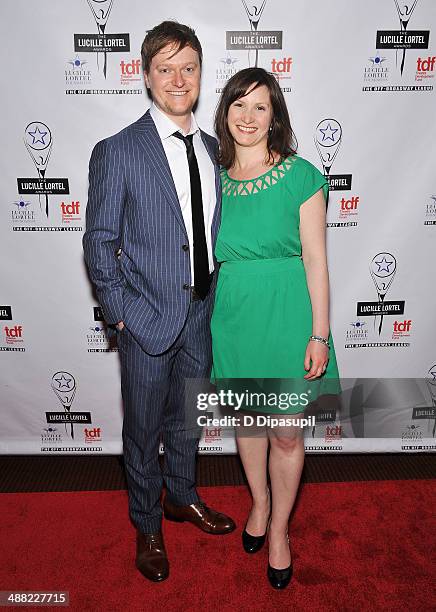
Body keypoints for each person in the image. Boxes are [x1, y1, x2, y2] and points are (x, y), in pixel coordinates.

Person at [83, 20, 235, 584]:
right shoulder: (117, 150)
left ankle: (182, 496)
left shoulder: (219, 151)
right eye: (165, 68)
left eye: (188, 68)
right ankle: (147, 523)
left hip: (202, 313)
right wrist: (121, 313)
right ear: (145, 75)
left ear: (200, 76)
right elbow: (99, 240)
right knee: (144, 428)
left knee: (190, 420)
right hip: (145, 318)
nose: (178, 78)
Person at [211, 67, 340, 589]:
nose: (248, 116)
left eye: (259, 106)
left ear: (275, 115)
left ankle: (281, 531)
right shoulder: (211, 177)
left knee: (286, 433)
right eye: (238, 105)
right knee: (248, 424)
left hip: (289, 315)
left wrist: (320, 333)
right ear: (225, 113)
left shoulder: (301, 174)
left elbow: (316, 260)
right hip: (235, 316)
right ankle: (259, 505)